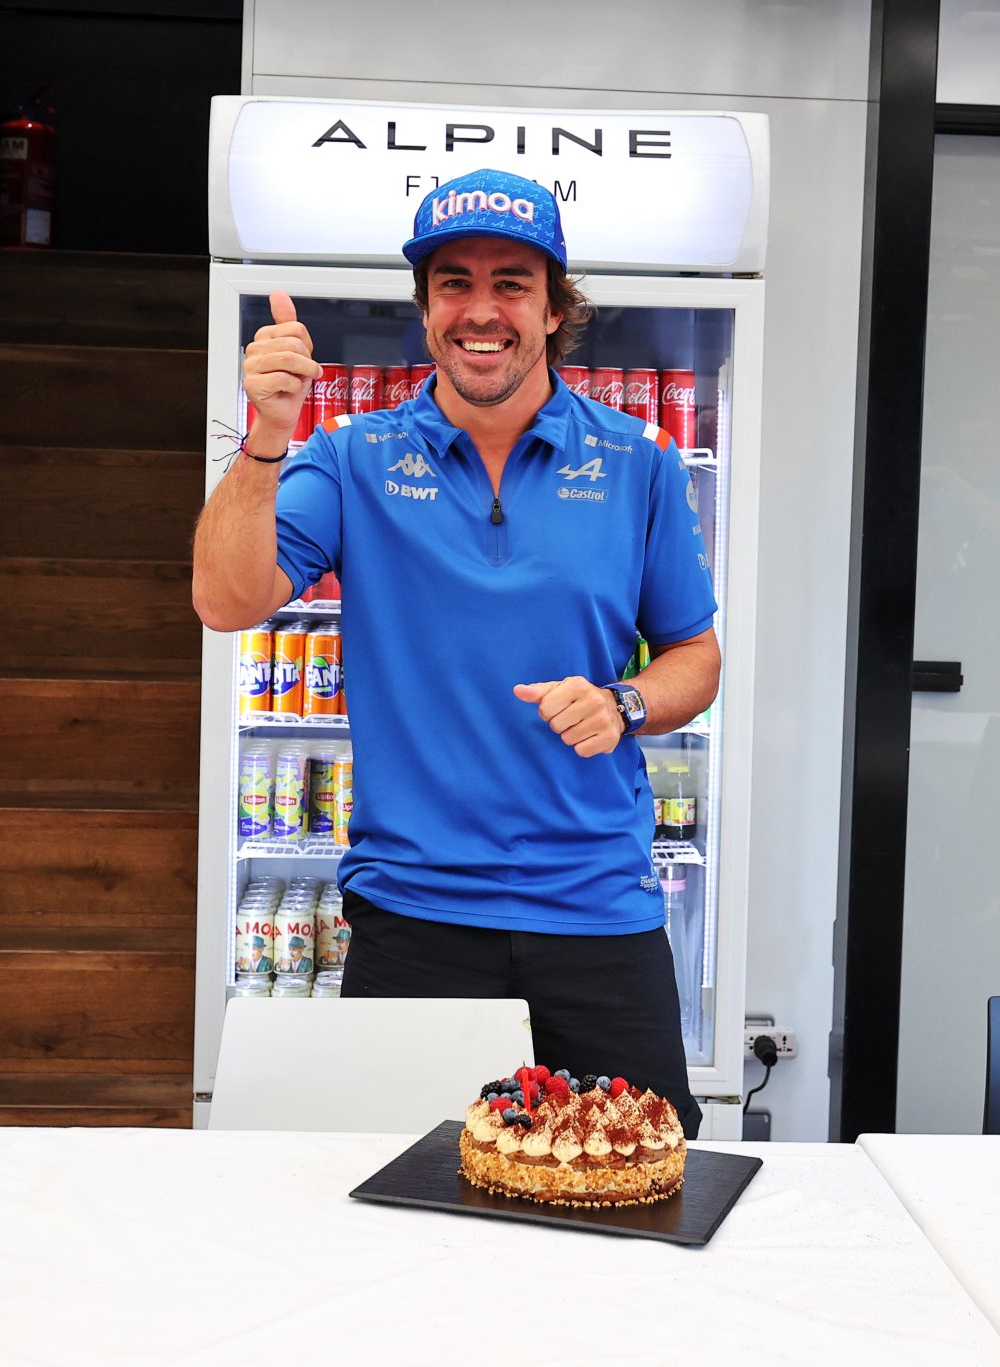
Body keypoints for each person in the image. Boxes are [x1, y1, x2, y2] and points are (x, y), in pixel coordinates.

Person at [192, 169, 720, 1134]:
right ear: (427, 311)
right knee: (409, 1210)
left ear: (556, 308)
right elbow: (226, 600)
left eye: (512, 283)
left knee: (641, 1190)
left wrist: (625, 705)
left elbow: (695, 653)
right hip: (416, 919)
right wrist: (267, 437)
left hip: (599, 910)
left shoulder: (638, 461)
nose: (483, 310)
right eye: (455, 283)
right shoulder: (349, 456)